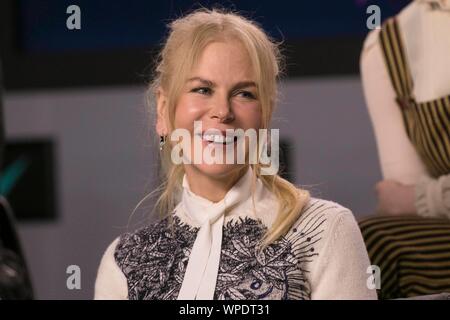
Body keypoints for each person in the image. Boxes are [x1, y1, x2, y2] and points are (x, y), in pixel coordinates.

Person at [94, 8, 376, 300]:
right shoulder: (122, 260)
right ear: (164, 110)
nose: (223, 112)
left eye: (244, 94)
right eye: (202, 89)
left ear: (265, 115)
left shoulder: (327, 231)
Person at [360, 0, 450, 299]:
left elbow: (409, 198)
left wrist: (425, 197)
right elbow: (402, 197)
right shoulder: (389, 44)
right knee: (367, 240)